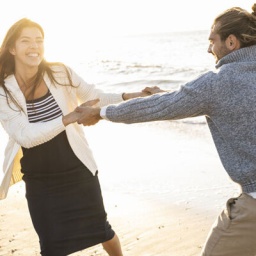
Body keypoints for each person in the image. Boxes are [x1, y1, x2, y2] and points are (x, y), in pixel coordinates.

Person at [75, 4, 256, 256]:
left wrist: (101, 112)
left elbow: (161, 107)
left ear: (232, 42)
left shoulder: (218, 82)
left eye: (212, 40)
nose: (209, 48)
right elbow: (189, 98)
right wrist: (170, 95)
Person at [0, 18, 162, 256]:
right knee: (52, 246)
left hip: (77, 169)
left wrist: (132, 95)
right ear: (12, 48)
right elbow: (25, 136)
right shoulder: (4, 90)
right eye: (26, 41)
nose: (34, 46)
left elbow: (94, 96)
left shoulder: (59, 72)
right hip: (40, 180)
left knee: (102, 230)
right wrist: (69, 117)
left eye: (39, 40)